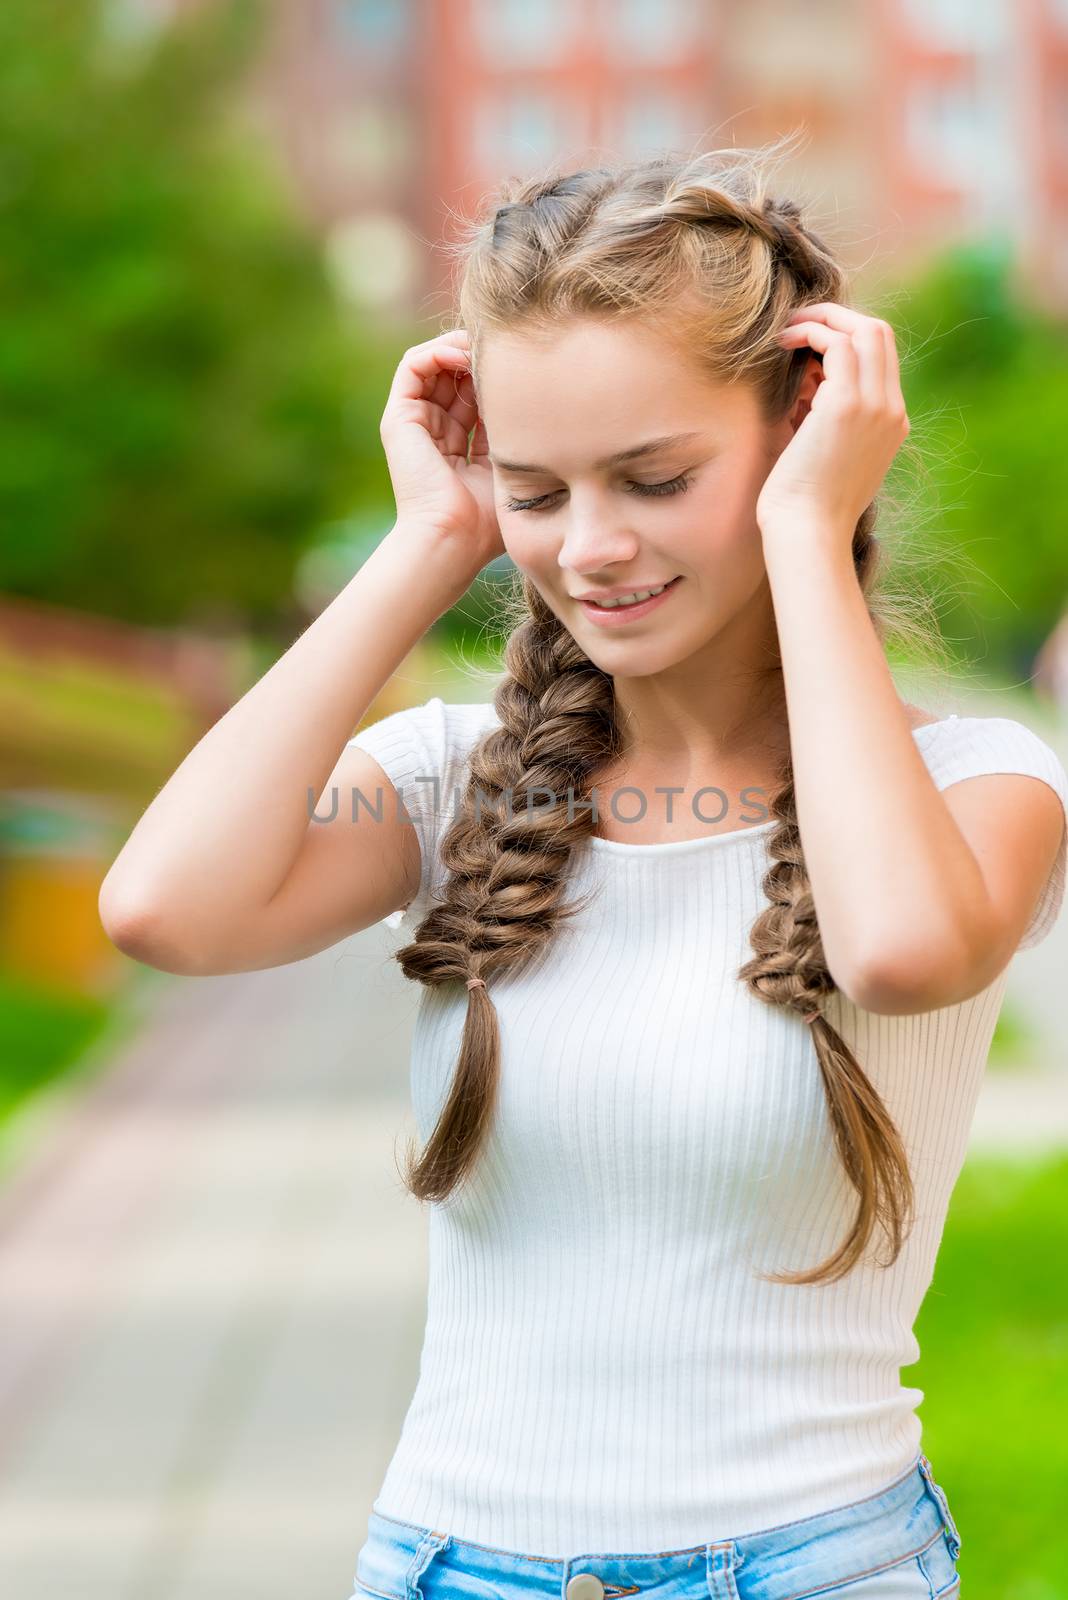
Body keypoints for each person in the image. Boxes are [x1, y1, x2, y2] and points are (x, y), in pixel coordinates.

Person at [99, 140, 1067, 1597]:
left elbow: (903, 952)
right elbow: (164, 908)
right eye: (539, 492)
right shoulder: (451, 781)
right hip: (449, 1565)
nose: (593, 547)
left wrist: (809, 528)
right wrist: (435, 537)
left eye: (656, 477)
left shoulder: (979, 786)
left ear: (805, 428)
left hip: (814, 1569)